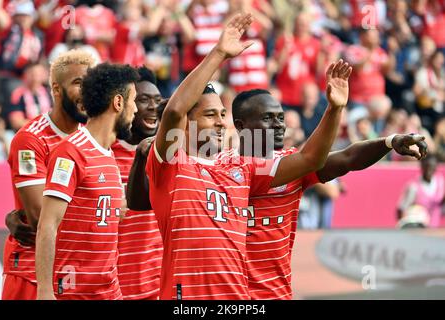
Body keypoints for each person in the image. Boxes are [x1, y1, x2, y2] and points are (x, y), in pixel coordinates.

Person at [138, 13, 351, 300]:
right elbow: (175, 110)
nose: (219, 122)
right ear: (185, 124)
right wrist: (219, 54)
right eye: (209, 114)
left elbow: (310, 160)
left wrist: (333, 110)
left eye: (222, 115)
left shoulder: (241, 167)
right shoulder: (170, 162)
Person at [231, 89, 428, 300]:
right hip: (226, 295)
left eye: (280, 117)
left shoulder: (293, 165)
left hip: (274, 294)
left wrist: (389, 141)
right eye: (267, 118)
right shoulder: (221, 168)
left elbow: (348, 157)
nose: (279, 125)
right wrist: (335, 109)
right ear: (241, 126)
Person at [35, 63, 139, 300]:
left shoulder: (108, 154)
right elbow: (47, 225)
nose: (135, 110)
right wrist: (44, 291)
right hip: (75, 292)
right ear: (118, 103)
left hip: (110, 290)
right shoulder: (71, 152)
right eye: (133, 100)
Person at [2, 50, 96, 300]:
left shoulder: (93, 136)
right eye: (78, 83)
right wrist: (100, 214)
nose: (87, 92)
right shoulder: (30, 139)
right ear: (56, 89)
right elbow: (39, 217)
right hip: (32, 276)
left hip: (79, 271)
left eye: (91, 84)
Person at [112, 66, 163, 300]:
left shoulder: (168, 156)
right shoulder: (103, 153)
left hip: (158, 284)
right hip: (114, 285)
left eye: (157, 100)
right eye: (143, 100)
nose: (153, 107)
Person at [398, 153, 444, 228]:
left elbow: (441, 206)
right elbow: (401, 208)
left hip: (435, 229)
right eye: (427, 167)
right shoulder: (413, 186)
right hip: (419, 231)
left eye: (432, 167)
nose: (429, 170)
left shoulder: (440, 182)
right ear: (422, 166)